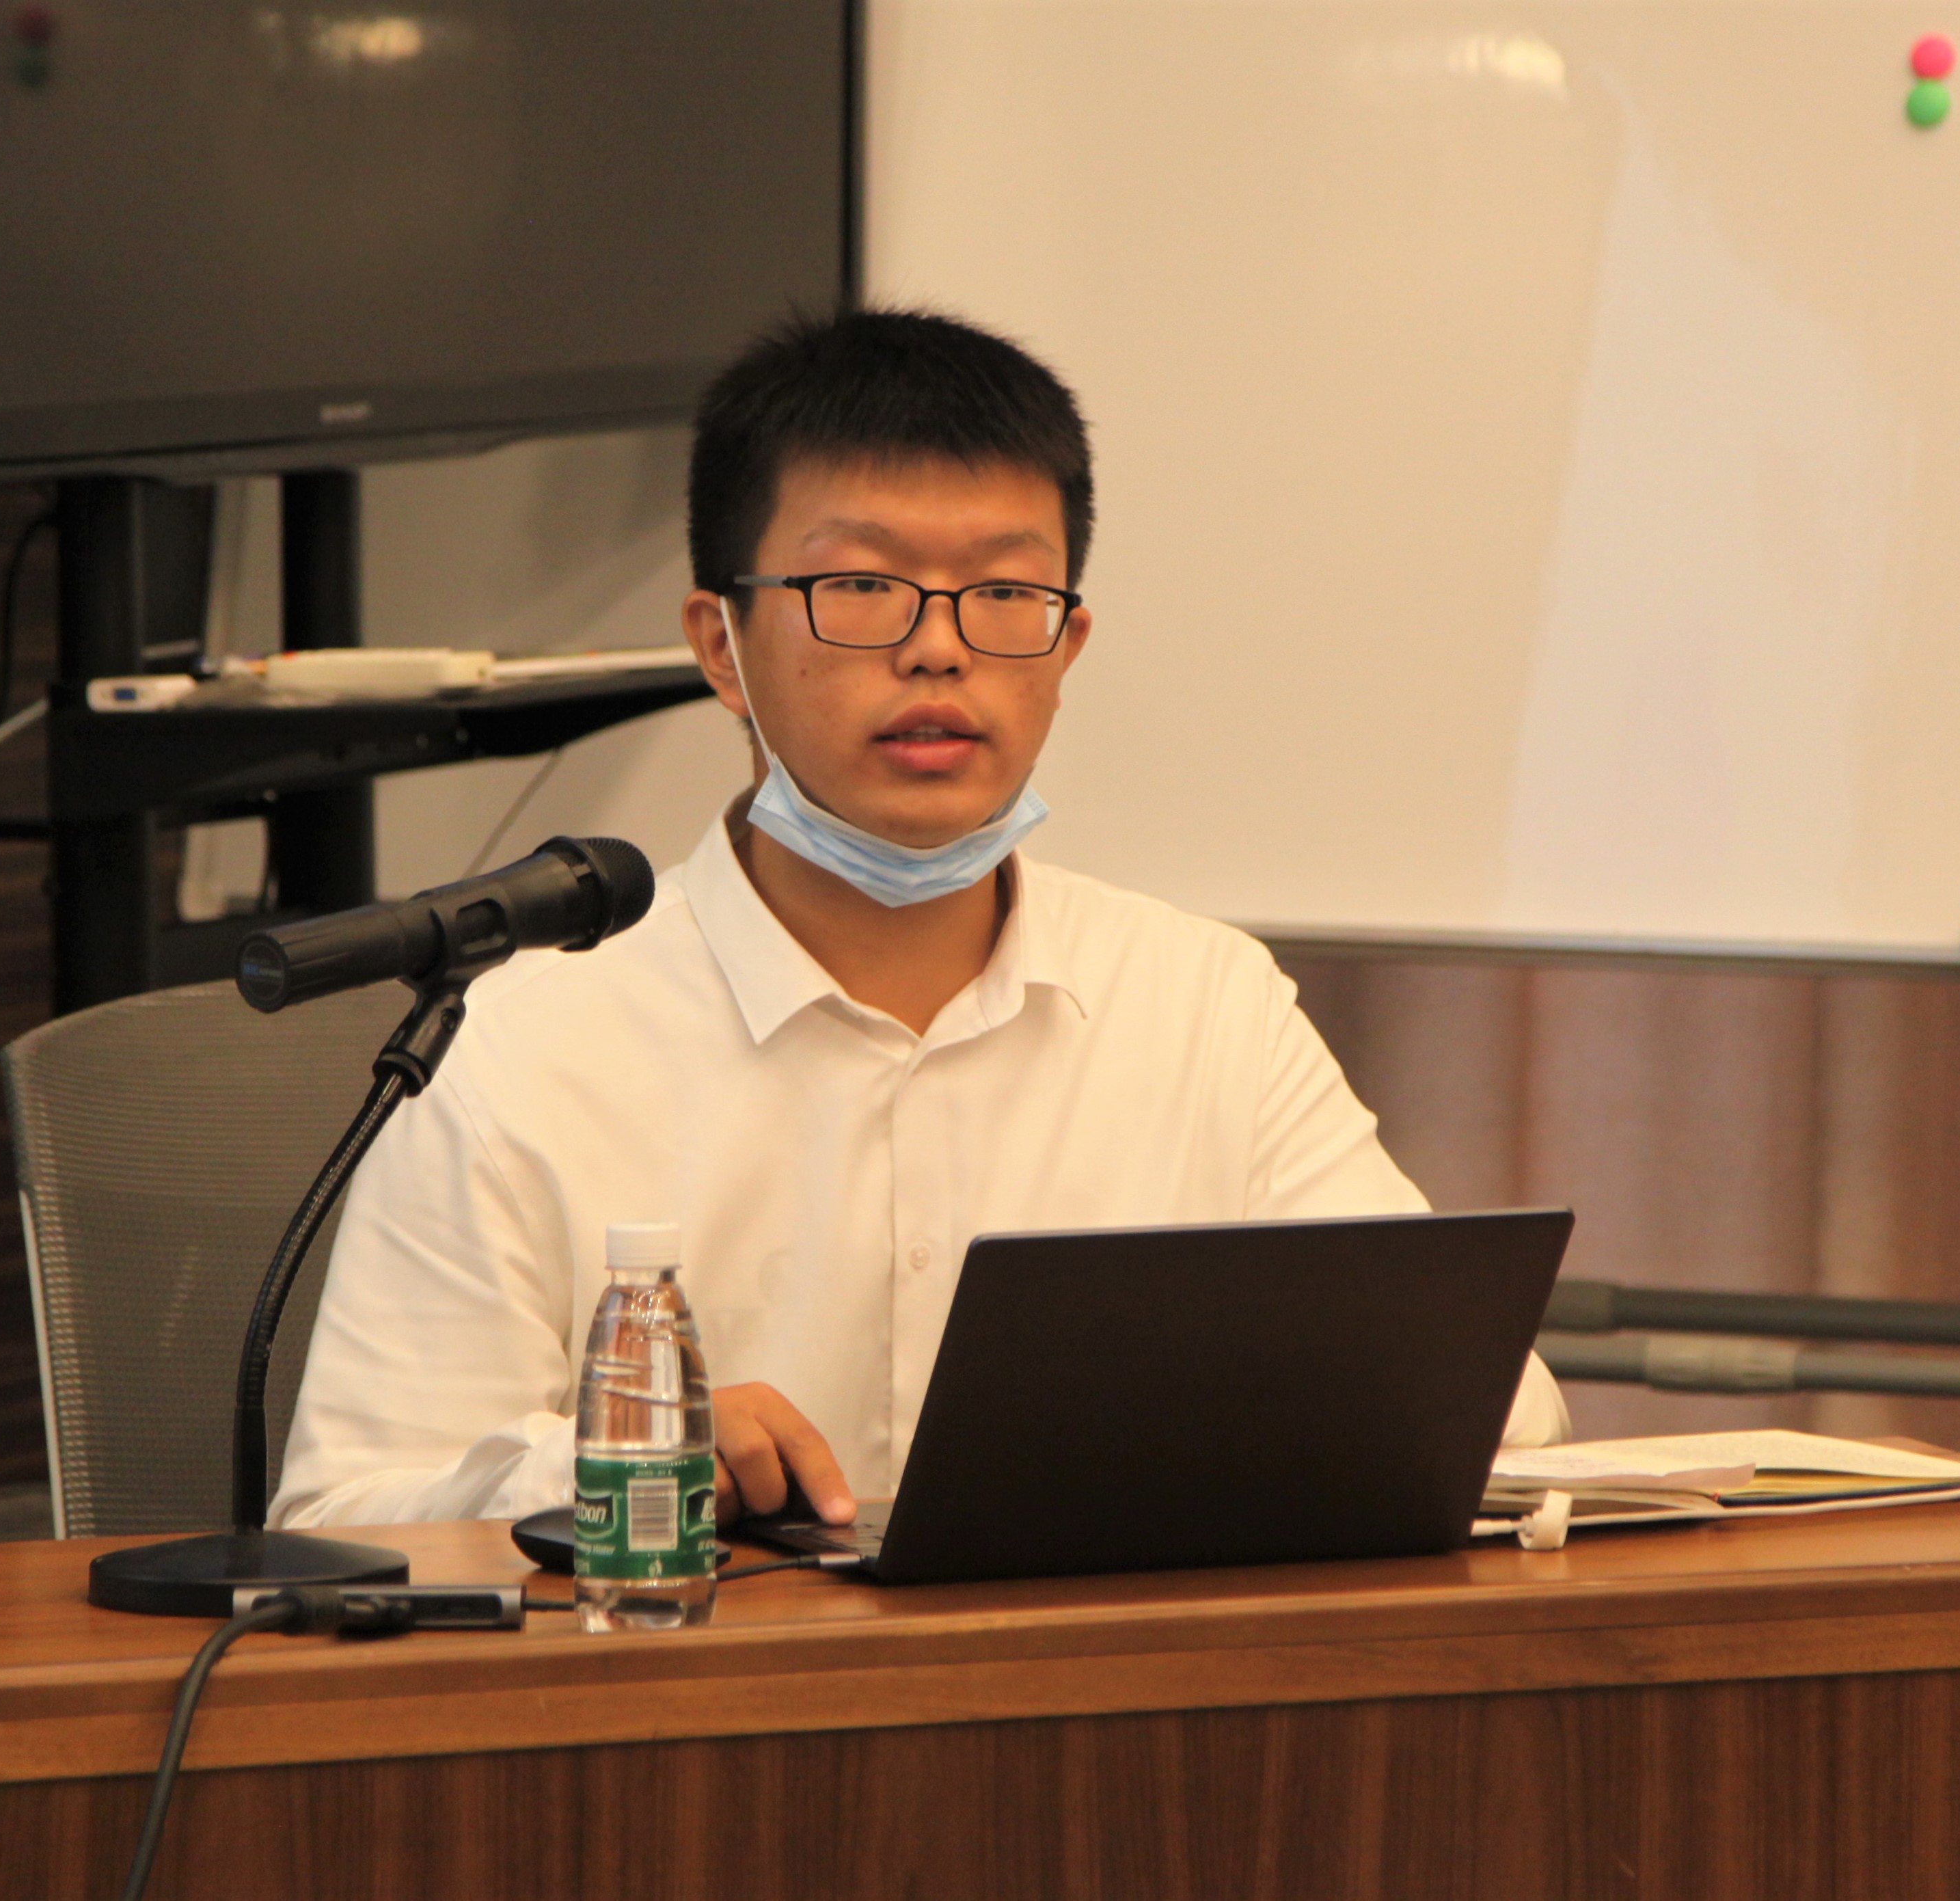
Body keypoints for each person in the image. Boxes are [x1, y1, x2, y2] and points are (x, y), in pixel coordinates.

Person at [272, 308, 1567, 1531]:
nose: (940, 649)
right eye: (862, 587)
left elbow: (1494, 1409)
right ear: (722, 646)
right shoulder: (516, 1051)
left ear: (1067, 646)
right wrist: (617, 1459)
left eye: (1005, 594)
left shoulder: (1204, 1006)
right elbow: (343, 1517)